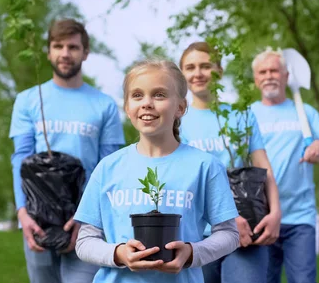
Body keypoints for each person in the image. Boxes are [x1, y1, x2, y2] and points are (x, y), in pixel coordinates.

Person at [73, 58, 240, 283]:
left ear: (180, 107)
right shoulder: (107, 168)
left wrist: (191, 253)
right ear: (127, 107)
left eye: (159, 95)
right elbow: (85, 241)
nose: (147, 103)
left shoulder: (205, 166)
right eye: (137, 95)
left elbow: (229, 234)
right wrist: (119, 253)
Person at [9, 18, 125, 283]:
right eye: (57, 46)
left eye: (72, 47)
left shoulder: (104, 105)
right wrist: (22, 213)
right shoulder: (28, 100)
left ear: (85, 52)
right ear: (47, 51)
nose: (64, 53)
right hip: (37, 219)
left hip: (86, 221)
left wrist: (86, 218)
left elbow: (107, 167)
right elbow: (21, 159)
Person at [178, 42, 282, 283]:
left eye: (206, 66)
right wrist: (226, 217)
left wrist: (276, 213)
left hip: (245, 233)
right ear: (182, 75)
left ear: (219, 70)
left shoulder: (242, 115)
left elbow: (264, 169)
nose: (198, 73)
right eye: (190, 67)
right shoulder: (177, 121)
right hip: (196, 237)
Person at [250, 47, 319, 283]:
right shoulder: (248, 115)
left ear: (286, 76)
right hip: (262, 216)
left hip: (300, 218)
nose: (269, 75)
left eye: (274, 70)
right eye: (263, 72)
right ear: (256, 79)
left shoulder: (305, 112)